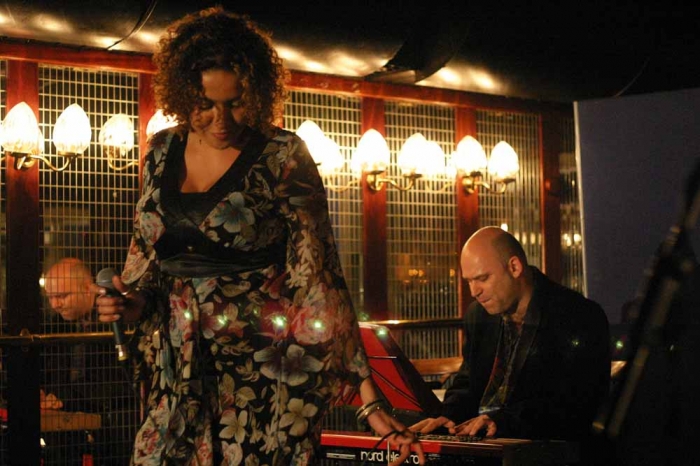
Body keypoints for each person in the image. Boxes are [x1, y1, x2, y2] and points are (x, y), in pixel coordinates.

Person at [94, 7, 423, 465]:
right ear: (183, 93)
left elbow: (319, 275)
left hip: (263, 372)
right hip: (177, 370)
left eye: (235, 102)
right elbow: (146, 256)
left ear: (257, 93)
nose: (221, 119)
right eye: (205, 104)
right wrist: (129, 302)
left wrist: (368, 399)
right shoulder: (160, 150)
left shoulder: (282, 154)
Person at [411, 227, 610, 453]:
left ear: (514, 267)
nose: (474, 291)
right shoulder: (478, 314)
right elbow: (468, 383)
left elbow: (577, 403)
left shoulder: (578, 315)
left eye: (482, 278)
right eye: (468, 281)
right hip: (489, 447)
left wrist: (502, 421)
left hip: (549, 451)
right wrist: (447, 416)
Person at [44, 257, 136, 465]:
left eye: (62, 296)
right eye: (50, 297)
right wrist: (52, 394)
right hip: (77, 420)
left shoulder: (113, 319)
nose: (55, 304)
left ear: (88, 289)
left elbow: (118, 382)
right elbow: (52, 369)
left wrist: (64, 398)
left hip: (118, 420)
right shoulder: (57, 324)